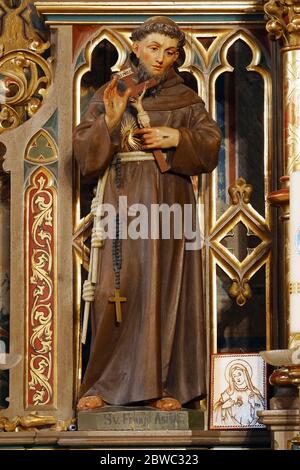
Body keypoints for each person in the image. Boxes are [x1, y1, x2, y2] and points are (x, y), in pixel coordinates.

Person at [73, 16, 221, 412]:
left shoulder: (186, 98)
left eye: (170, 52)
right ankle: (104, 383)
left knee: (169, 288)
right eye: (154, 48)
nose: (161, 58)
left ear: (177, 57)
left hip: (171, 199)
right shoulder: (112, 91)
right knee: (115, 288)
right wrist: (111, 118)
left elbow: (210, 144)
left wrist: (177, 138)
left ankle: (169, 384)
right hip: (122, 199)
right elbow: (84, 153)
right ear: (136, 47)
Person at [213, 361, 265, 426]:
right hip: (231, 426)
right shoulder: (228, 392)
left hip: (252, 427)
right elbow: (214, 411)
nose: (237, 378)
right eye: (234, 376)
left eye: (239, 374)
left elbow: (263, 409)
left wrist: (253, 403)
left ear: (245, 374)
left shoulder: (253, 391)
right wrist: (224, 406)